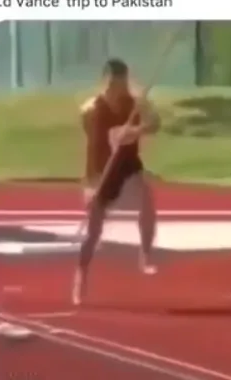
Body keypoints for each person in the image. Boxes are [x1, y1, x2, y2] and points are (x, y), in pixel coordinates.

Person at [72, 58, 160, 305]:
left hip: (128, 168)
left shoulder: (136, 103)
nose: (117, 88)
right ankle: (81, 275)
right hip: (100, 172)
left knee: (147, 202)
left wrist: (136, 130)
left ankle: (145, 255)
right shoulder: (91, 109)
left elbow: (155, 123)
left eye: (121, 83)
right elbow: (96, 138)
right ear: (104, 82)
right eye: (112, 83)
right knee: (93, 232)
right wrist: (116, 137)